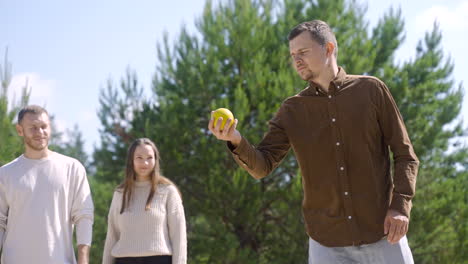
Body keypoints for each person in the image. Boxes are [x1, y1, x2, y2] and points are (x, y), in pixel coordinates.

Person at [208, 20, 418, 263]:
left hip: (383, 234)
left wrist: (400, 208)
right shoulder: (292, 110)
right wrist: (234, 138)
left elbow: (405, 155)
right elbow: (262, 165)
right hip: (326, 244)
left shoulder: (371, 90)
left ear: (328, 49)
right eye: (293, 54)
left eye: (303, 52)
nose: (296, 60)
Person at [0, 105, 94, 264]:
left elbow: (84, 216)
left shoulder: (72, 168)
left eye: (44, 127)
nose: (40, 132)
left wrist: (83, 260)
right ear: (20, 130)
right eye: (33, 128)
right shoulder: (5, 174)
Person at [102, 138, 187, 264]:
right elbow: (112, 236)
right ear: (131, 160)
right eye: (139, 158)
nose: (145, 163)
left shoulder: (168, 191)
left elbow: (179, 236)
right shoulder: (120, 193)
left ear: (155, 160)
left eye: (149, 157)